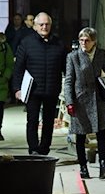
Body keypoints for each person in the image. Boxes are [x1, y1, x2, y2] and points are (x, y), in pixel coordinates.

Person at [64, 27, 105, 179]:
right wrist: (69, 102)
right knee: (80, 136)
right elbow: (68, 81)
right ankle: (83, 167)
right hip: (80, 100)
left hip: (98, 98)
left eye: (87, 40)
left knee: (101, 133)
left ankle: (103, 165)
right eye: (81, 40)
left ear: (94, 42)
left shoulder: (100, 54)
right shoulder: (73, 57)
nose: (83, 43)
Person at [12, 11, 66, 155]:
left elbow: (66, 68)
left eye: (47, 24)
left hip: (52, 89)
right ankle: (33, 149)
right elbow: (18, 68)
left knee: (48, 122)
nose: (44, 27)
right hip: (32, 90)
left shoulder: (59, 44)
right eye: (41, 24)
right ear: (35, 26)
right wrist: (17, 88)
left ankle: (44, 150)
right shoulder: (27, 43)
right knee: (32, 121)